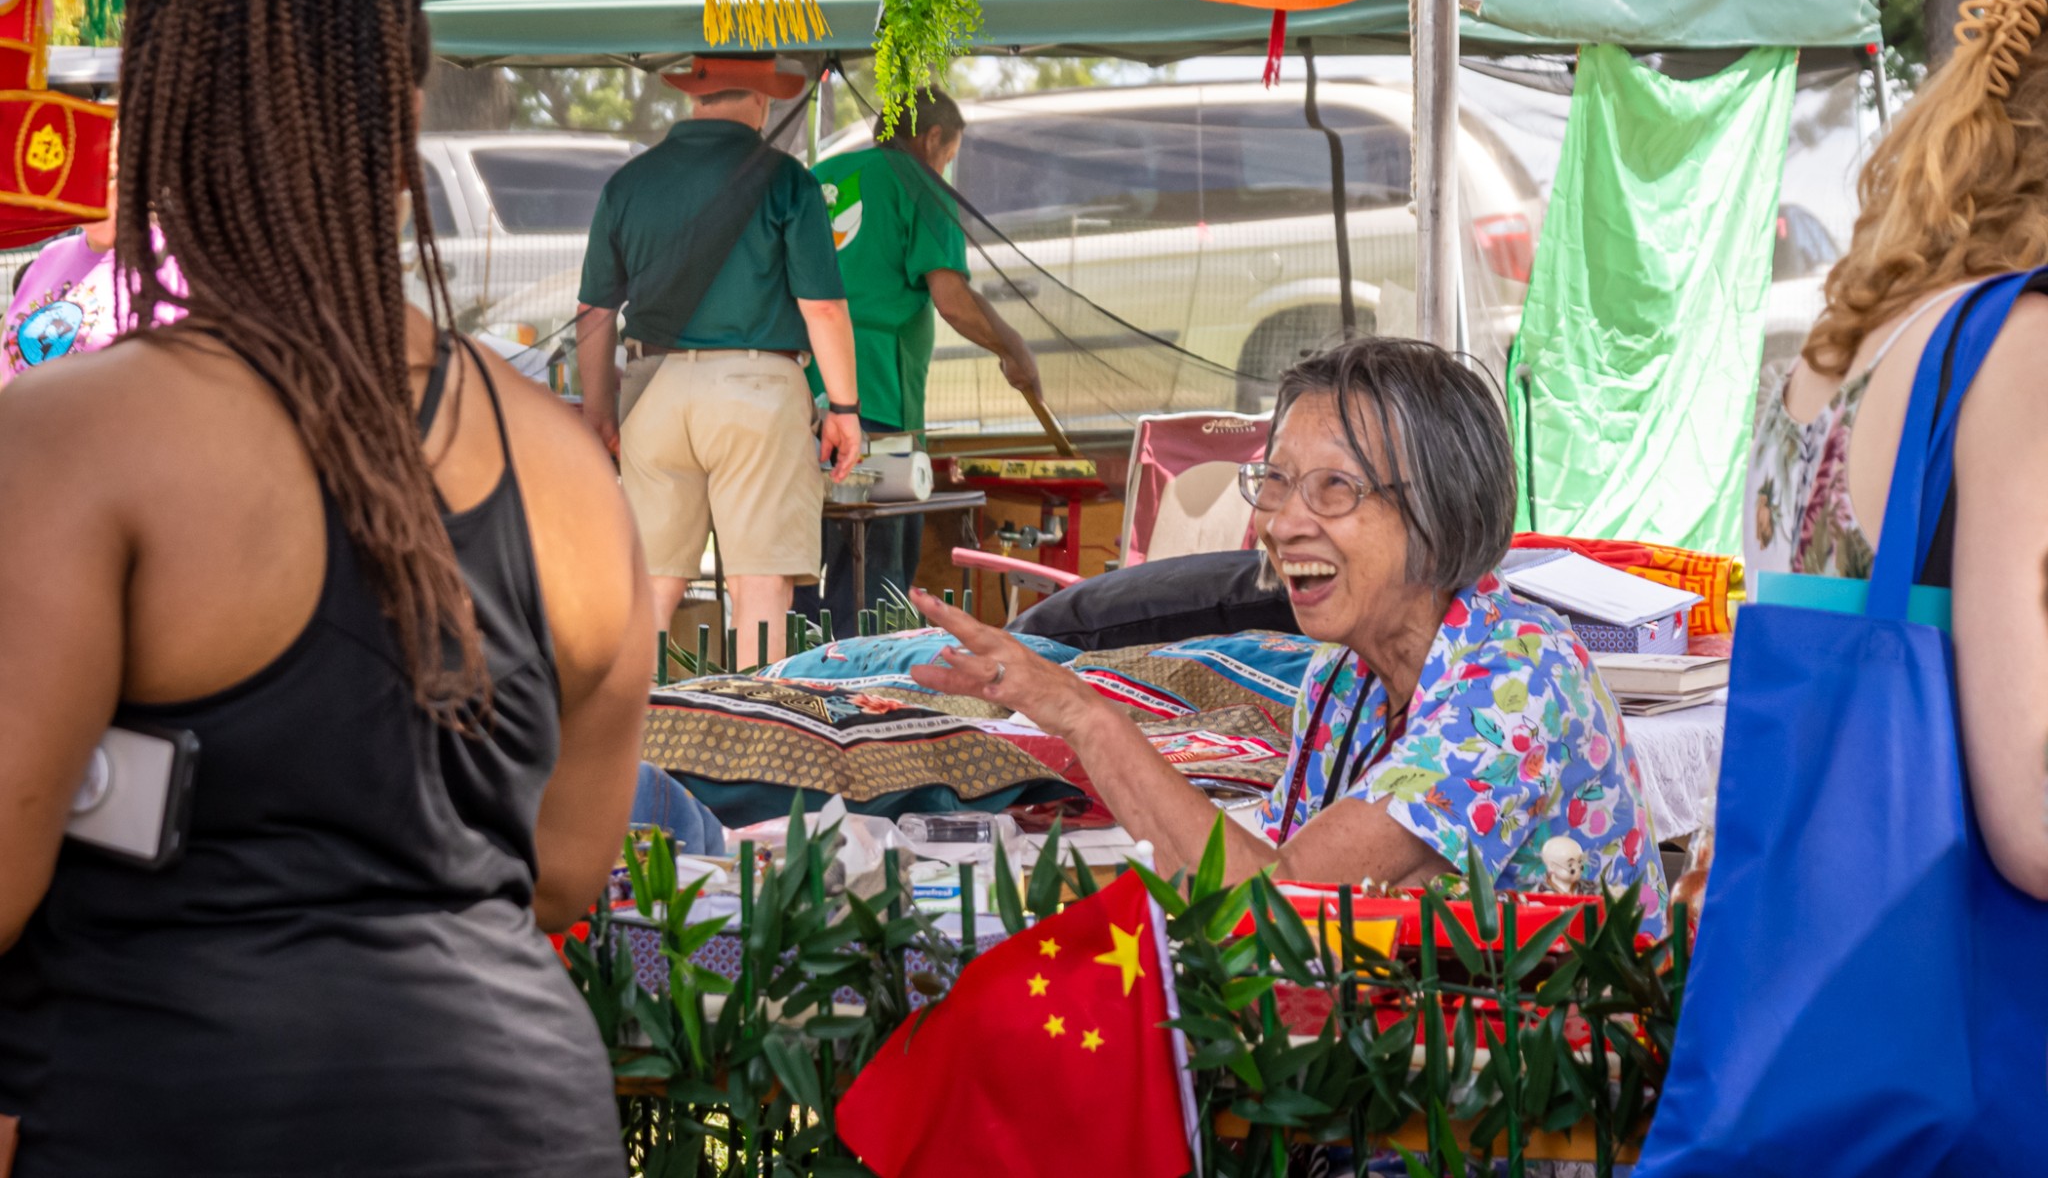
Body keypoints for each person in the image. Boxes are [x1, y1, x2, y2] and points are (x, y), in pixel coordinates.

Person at [0, 0, 652, 1175]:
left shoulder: (76, 435)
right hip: (518, 1112)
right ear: (401, 102)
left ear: (157, 106)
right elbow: (570, 867)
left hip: (185, 1101)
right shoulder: (567, 465)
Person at [908, 338, 1666, 920]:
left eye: (1334, 487)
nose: (1282, 521)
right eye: (1274, 482)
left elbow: (1275, 909)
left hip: (1524, 1100)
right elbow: (1231, 870)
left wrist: (1084, 714)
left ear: (1440, 513)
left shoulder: (1515, 678)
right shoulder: (1346, 679)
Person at [1748, 0, 2048, 899]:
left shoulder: (1839, 355)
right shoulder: (2023, 351)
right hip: (1974, 1001)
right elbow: (2032, 823)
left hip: (1826, 961)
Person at [577, 53, 860, 666]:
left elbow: (595, 314)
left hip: (651, 390)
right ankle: (752, 743)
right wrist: (845, 407)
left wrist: (599, 410)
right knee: (757, 585)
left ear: (695, 97)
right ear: (762, 99)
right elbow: (826, 311)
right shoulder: (788, 181)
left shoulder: (628, 183)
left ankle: (636, 741)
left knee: (650, 586)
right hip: (758, 392)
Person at [799, 86, 1039, 629]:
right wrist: (1013, 347)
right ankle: (860, 698)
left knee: (796, 572)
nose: (946, 169)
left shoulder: (820, 177)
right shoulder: (922, 183)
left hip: (797, 399)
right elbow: (952, 300)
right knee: (872, 582)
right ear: (932, 138)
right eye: (949, 156)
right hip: (875, 407)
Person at [0, 130, 183, 386]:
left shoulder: (174, 265)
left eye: (104, 174)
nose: (84, 188)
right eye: (77, 175)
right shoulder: (51, 256)